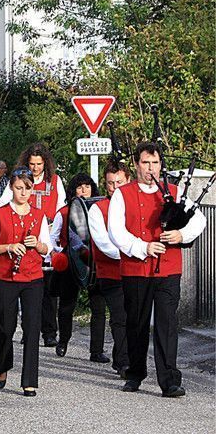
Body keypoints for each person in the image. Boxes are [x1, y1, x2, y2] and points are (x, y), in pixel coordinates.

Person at [108, 142, 206, 397]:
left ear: (161, 164)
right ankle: (135, 373)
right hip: (135, 268)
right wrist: (143, 247)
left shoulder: (174, 191)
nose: (150, 168)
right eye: (145, 163)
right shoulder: (123, 194)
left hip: (168, 270)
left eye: (155, 163)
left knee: (166, 323)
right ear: (136, 165)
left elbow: (200, 219)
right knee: (137, 324)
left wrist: (181, 234)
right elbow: (116, 232)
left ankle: (169, 379)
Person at [0, 167, 51, 397]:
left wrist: (37, 245)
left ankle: (29, 380)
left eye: (28, 188)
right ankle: (2, 366)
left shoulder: (39, 216)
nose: (23, 193)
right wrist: (9, 247)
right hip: (6, 277)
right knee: (6, 326)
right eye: (19, 188)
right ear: (11, 187)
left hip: (33, 277)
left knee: (32, 327)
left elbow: (47, 248)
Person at [0, 143, 66, 348]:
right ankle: (29, 331)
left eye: (39, 164)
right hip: (23, 238)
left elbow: (61, 207)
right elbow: (2, 205)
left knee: (48, 290)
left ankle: (49, 332)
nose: (35, 168)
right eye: (32, 163)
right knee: (27, 290)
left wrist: (53, 232)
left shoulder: (54, 181)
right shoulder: (20, 181)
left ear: (45, 163)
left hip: (47, 236)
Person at [48, 173, 102, 358]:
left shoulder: (101, 209)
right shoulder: (63, 212)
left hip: (95, 262)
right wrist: (59, 252)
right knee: (67, 304)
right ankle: (63, 341)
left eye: (87, 186)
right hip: (71, 261)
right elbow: (52, 238)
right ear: (73, 191)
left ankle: (97, 350)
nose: (84, 190)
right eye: (80, 187)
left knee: (98, 306)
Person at [88, 160, 131, 377]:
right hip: (111, 271)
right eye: (111, 183)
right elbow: (103, 243)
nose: (115, 188)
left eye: (120, 183)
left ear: (129, 181)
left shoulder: (134, 204)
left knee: (132, 315)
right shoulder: (97, 209)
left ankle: (120, 356)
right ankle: (124, 362)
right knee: (119, 316)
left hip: (135, 270)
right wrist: (132, 251)